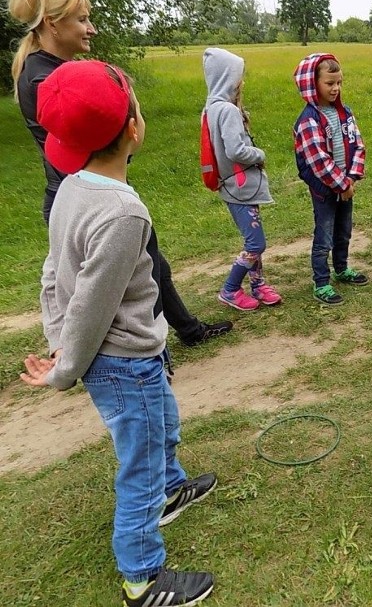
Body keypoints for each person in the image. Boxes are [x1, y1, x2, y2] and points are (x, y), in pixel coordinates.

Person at [19, 59, 216, 606]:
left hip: (128, 359)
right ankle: (143, 579)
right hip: (124, 363)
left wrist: (56, 336)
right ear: (133, 127)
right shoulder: (123, 213)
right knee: (140, 466)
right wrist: (64, 366)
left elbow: (52, 274)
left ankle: (172, 489)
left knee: (162, 427)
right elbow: (89, 304)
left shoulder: (70, 189)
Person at [7, 0, 232, 347]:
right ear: (51, 23)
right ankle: (128, 357)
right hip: (87, 200)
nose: (91, 28)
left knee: (151, 268)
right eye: (82, 19)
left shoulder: (54, 71)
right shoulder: (45, 80)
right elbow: (99, 138)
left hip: (93, 192)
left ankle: (185, 333)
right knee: (119, 288)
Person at [202, 47, 281, 311]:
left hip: (233, 186)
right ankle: (230, 289)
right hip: (240, 187)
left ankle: (258, 285)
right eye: (238, 76)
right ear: (228, 78)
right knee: (256, 243)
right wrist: (259, 154)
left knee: (253, 240)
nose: (241, 81)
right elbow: (235, 150)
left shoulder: (211, 109)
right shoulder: (227, 111)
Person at [293, 52, 368, 305]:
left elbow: (358, 144)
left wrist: (352, 178)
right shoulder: (308, 121)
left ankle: (342, 268)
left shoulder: (345, 112)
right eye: (329, 83)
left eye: (339, 83)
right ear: (313, 84)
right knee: (324, 235)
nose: (335, 88)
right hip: (326, 191)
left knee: (343, 231)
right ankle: (321, 282)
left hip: (346, 186)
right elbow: (318, 161)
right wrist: (342, 184)